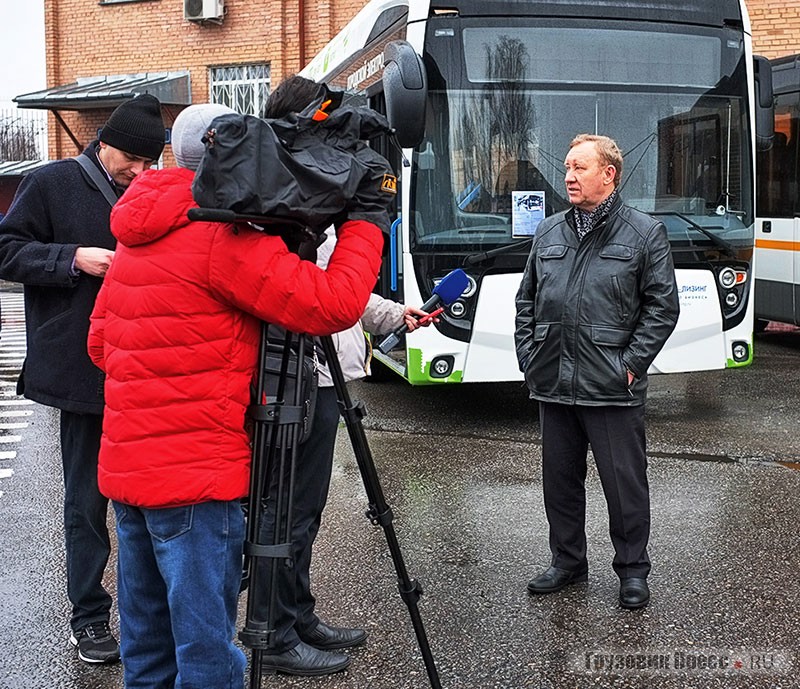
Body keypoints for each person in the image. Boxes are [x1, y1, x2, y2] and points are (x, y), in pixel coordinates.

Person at [86, 102, 388, 689]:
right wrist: (367, 221)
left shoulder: (137, 233)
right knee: (208, 658)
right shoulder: (222, 237)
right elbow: (332, 305)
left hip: (127, 476)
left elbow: (100, 346)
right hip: (196, 482)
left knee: (146, 653)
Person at [254, 74, 436, 676]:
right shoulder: (271, 208)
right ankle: (273, 633)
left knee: (305, 509)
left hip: (326, 378)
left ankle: (298, 613)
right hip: (286, 376)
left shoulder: (313, 216)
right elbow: (316, 294)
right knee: (281, 510)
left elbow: (341, 292)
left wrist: (394, 314)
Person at [0, 94, 166, 664]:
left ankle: (148, 614)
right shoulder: (50, 182)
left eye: (151, 164)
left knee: (149, 500)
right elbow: (5, 250)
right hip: (82, 370)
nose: (141, 174)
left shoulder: (149, 189)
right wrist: (74, 258)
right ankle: (89, 617)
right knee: (87, 502)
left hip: (143, 369)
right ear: (105, 144)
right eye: (133, 162)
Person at [514, 133, 679, 610]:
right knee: (559, 484)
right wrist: (531, 359)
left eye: (579, 167)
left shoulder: (645, 233)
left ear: (608, 174)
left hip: (611, 385)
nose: (568, 175)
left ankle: (632, 570)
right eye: (567, 166)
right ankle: (567, 562)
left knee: (624, 485)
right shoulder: (548, 232)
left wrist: (629, 366)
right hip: (553, 383)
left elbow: (661, 310)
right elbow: (527, 301)